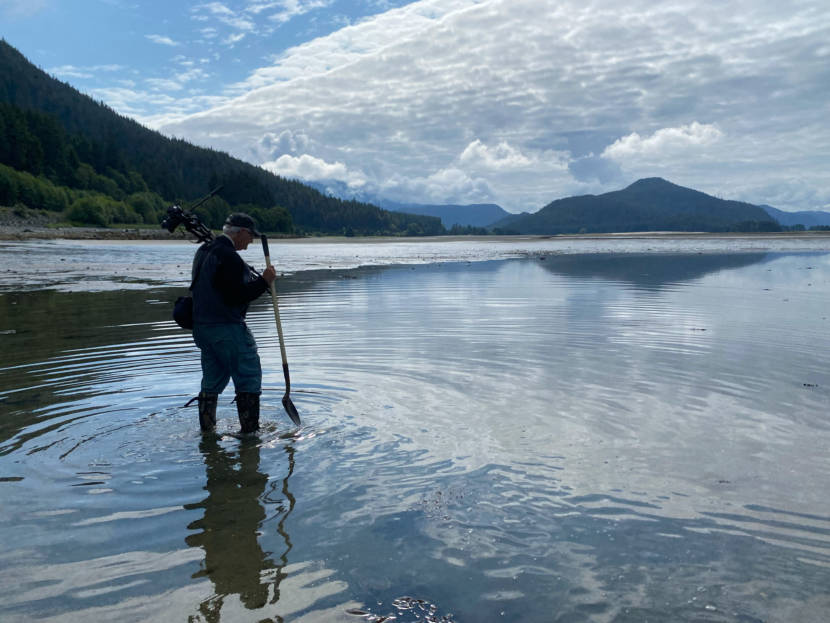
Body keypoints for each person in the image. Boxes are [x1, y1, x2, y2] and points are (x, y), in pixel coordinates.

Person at [191, 213, 276, 434]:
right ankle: (250, 436)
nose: (252, 241)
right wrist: (264, 281)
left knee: (211, 380)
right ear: (242, 232)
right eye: (251, 236)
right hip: (226, 327)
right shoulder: (229, 256)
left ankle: (207, 432)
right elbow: (236, 296)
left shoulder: (204, 251)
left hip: (202, 329)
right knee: (248, 376)